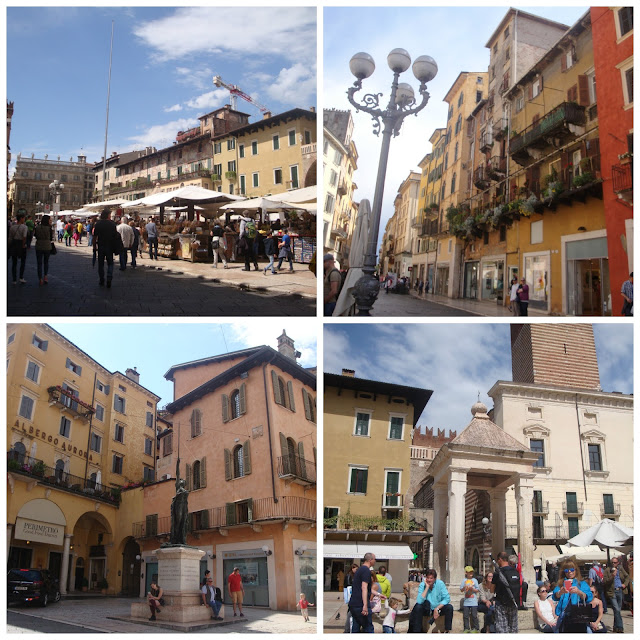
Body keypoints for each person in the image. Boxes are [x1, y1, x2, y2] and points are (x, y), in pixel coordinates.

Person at [551, 559, 592, 633]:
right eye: (566, 570)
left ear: (576, 570)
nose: (570, 572)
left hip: (579, 615)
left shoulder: (582, 583)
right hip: (564, 615)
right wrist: (560, 592)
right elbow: (554, 596)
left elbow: (589, 597)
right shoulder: (561, 583)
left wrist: (579, 592)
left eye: (572, 569)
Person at [408, 568, 453, 633]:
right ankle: (416, 632)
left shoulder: (440, 584)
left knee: (449, 607)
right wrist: (427, 587)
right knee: (417, 607)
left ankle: (447, 630)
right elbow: (419, 601)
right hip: (427, 608)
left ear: (435, 579)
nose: (429, 580)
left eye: (431, 578)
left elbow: (447, 598)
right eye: (428, 578)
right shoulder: (422, 585)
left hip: (438, 608)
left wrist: (437, 608)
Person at [491, 551, 520, 633]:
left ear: (500, 559)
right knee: (513, 629)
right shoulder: (515, 571)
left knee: (502, 629)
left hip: (501, 604)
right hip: (513, 603)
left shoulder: (497, 573)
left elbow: (492, 590)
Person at [348, 552, 376, 633]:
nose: (375, 561)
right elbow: (364, 587)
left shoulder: (359, 570)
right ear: (370, 560)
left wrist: (379, 594)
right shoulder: (366, 571)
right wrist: (365, 605)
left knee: (356, 627)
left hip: (354, 603)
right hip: (360, 604)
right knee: (368, 628)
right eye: (374, 559)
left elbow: (362, 587)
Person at [93, 208, 119, 288]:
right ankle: (109, 277)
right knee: (110, 263)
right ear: (108, 215)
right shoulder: (112, 224)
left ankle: (101, 279)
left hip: (101, 246)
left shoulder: (98, 224)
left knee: (100, 264)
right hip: (110, 246)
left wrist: (94, 247)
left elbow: (95, 237)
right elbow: (115, 236)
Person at [603, 555, 629, 633]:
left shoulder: (620, 569)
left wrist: (625, 584)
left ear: (618, 563)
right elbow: (605, 581)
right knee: (617, 609)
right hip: (612, 592)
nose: (614, 564)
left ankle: (615, 627)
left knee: (617, 610)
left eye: (615, 562)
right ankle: (620, 627)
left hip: (620, 590)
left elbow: (627, 577)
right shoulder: (607, 570)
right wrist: (612, 576)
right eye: (612, 562)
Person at [8, 213, 29, 285]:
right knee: (22, 262)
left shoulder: (12, 227)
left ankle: (14, 279)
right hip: (21, 245)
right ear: (21, 219)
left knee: (14, 262)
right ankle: (21, 277)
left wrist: (8, 246)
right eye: (24, 218)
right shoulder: (24, 227)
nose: (24, 219)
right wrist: (23, 245)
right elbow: (24, 237)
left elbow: (10, 238)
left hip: (14, 245)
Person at [34, 214, 54, 286]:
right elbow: (51, 238)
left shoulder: (37, 227)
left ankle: (40, 279)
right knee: (46, 262)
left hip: (39, 246)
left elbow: (35, 236)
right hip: (47, 246)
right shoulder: (49, 228)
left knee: (39, 263)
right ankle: (45, 276)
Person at [460, 565, 480, 633]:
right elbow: (461, 590)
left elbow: (477, 590)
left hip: (473, 601)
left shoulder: (475, 580)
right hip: (466, 601)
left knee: (474, 615)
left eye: (471, 572)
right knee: (465, 615)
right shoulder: (464, 580)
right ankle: (466, 628)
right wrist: (464, 588)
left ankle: (476, 628)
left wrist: (473, 589)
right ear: (466, 573)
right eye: (469, 572)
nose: (471, 573)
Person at [344, 563, 358, 632]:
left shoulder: (355, 575)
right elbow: (348, 586)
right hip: (350, 594)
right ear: (352, 568)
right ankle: (348, 629)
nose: (356, 570)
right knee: (350, 612)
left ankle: (348, 628)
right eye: (356, 569)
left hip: (352, 594)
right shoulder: (349, 575)